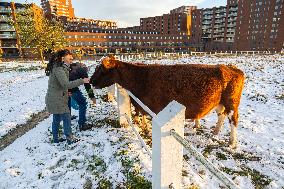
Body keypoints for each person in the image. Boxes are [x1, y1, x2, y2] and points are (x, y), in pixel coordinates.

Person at [45, 49, 89, 144]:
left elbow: (59, 85)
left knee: (56, 118)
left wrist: (66, 92)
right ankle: (70, 139)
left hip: (57, 97)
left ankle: (56, 139)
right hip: (57, 99)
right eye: (69, 57)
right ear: (62, 58)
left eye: (72, 58)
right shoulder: (59, 69)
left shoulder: (60, 68)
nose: (72, 59)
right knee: (66, 117)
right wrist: (82, 80)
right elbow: (66, 84)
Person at [68, 61, 96, 131]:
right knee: (82, 103)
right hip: (72, 88)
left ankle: (68, 116)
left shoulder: (73, 66)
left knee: (68, 101)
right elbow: (87, 86)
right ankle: (82, 124)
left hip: (63, 87)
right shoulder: (83, 71)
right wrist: (92, 96)